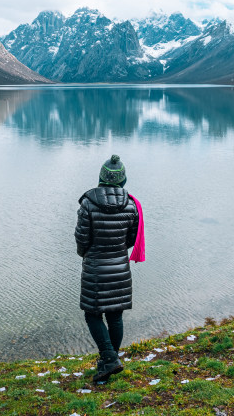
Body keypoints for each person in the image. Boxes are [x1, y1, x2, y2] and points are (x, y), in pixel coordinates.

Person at [74, 154, 142, 383]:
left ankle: (109, 359)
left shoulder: (88, 203)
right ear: (122, 180)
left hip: (95, 268)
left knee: (92, 314)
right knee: (115, 316)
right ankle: (109, 361)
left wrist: (87, 254)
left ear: (102, 178)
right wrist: (116, 251)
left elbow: (82, 239)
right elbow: (132, 238)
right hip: (120, 267)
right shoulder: (131, 204)